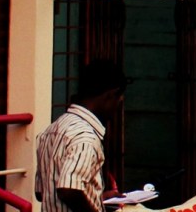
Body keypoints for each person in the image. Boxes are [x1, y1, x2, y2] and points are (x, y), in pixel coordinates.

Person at [36, 60, 129, 212]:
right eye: (118, 102)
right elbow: (68, 190)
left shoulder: (50, 131)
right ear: (110, 96)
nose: (117, 109)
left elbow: (41, 193)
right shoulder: (85, 136)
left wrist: (97, 198)